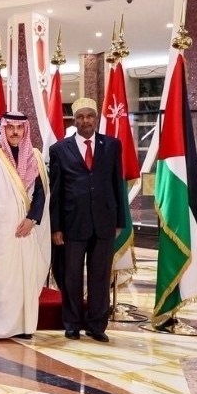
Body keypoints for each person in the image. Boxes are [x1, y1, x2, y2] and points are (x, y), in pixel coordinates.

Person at [0, 112, 51, 340]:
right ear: (3, 129)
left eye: (19, 128)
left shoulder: (34, 156)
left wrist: (32, 219)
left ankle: (21, 326)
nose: (15, 132)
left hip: (24, 231)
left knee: (22, 280)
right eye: (10, 127)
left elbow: (43, 193)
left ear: (25, 130)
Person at [48, 97, 125, 343]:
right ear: (74, 121)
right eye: (80, 117)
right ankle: (71, 323)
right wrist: (56, 226)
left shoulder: (112, 145)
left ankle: (96, 324)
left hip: (104, 222)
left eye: (89, 116)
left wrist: (119, 220)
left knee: (100, 276)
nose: (85, 121)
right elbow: (57, 191)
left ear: (96, 119)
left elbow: (117, 184)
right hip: (72, 224)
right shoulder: (60, 149)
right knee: (70, 275)